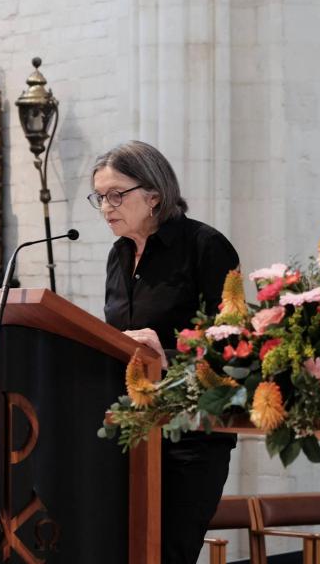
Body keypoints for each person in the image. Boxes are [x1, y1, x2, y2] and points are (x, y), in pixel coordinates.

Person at [89, 140, 240, 563]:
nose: (106, 206)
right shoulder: (118, 256)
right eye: (100, 197)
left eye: (116, 194)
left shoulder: (206, 247)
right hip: (132, 433)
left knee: (168, 554)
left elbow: (237, 346)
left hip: (190, 439)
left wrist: (167, 353)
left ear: (153, 195)